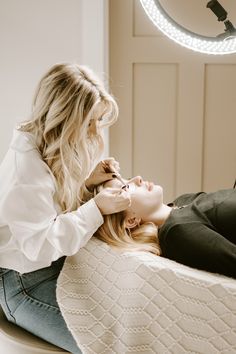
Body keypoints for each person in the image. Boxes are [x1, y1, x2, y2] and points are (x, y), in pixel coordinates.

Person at [0, 63, 131, 353]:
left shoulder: (42, 146)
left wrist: (86, 185)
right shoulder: (25, 168)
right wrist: (96, 207)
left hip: (53, 267)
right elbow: (39, 245)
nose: (96, 130)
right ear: (64, 118)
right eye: (89, 121)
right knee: (112, 345)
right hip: (23, 282)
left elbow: (47, 210)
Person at [92, 175, 236, 279]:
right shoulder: (178, 231)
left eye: (127, 177)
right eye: (126, 187)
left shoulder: (183, 200)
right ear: (131, 221)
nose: (138, 178)